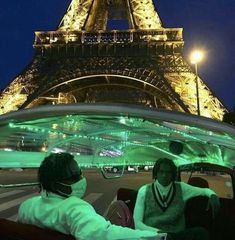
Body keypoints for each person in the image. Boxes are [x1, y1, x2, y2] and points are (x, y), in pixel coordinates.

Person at [18, 153, 162, 240]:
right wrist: (159, 237)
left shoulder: (27, 206)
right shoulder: (73, 207)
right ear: (56, 185)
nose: (82, 179)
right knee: (119, 206)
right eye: (74, 176)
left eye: (80, 173)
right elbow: (105, 235)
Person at [133, 158, 220, 240]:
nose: (164, 175)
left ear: (173, 174)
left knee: (202, 232)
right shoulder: (144, 190)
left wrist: (212, 195)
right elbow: (137, 223)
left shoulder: (181, 188)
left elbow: (204, 191)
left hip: (176, 235)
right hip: (153, 234)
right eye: (161, 171)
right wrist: (158, 232)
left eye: (168, 172)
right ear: (156, 173)